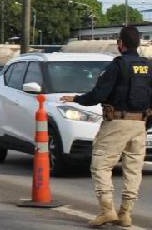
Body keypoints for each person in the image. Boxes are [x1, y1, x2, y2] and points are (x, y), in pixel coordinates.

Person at [61, 26, 152, 228]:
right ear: (138, 43)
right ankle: (126, 213)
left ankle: (106, 211)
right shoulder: (147, 66)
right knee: (133, 170)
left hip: (116, 123)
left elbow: (98, 95)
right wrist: (145, 122)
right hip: (139, 124)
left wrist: (76, 99)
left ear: (121, 44)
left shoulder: (117, 66)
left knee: (100, 164)